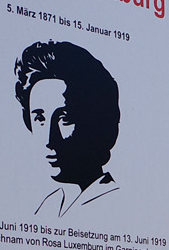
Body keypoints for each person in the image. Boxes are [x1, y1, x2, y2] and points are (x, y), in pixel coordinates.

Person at [13, 40, 121, 216]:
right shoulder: (49, 207)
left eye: (65, 119)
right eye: (39, 118)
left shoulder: (112, 201)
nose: (50, 139)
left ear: (98, 123)